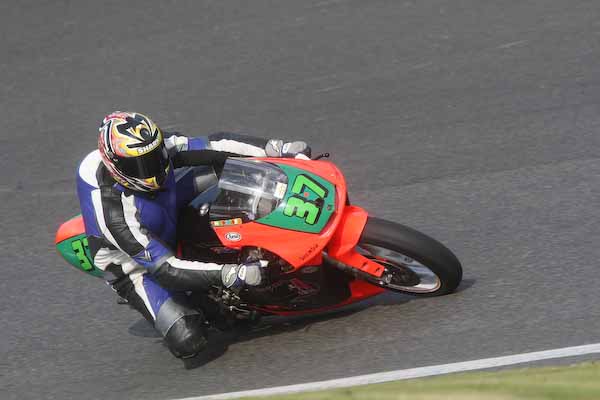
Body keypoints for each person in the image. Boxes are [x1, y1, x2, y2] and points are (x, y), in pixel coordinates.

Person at [76, 111, 310, 358]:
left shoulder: (154, 147)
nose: (152, 169)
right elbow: (166, 269)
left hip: (164, 201)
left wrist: (277, 149)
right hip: (137, 267)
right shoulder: (115, 216)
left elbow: (214, 145)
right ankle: (205, 304)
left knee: (231, 168)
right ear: (116, 167)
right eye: (140, 166)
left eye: (155, 157)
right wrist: (230, 274)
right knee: (188, 338)